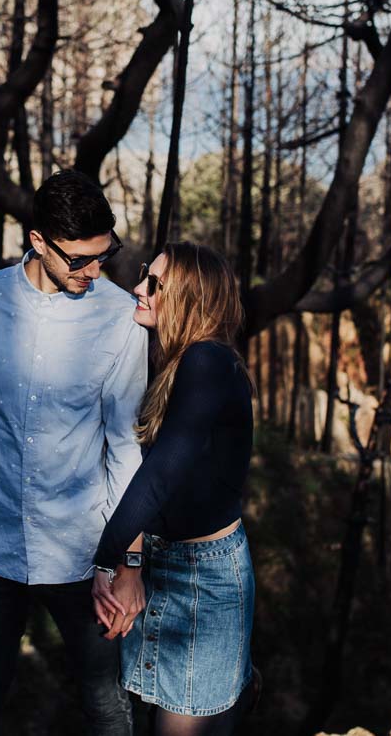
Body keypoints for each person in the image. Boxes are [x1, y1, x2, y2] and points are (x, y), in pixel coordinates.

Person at [0, 170, 148, 735]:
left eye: (105, 254)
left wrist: (130, 564)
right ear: (38, 241)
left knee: (108, 709)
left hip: (83, 553)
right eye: (79, 260)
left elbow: (126, 450)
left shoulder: (120, 315)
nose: (94, 271)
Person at [91, 242, 259, 735]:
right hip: (167, 567)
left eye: (154, 285)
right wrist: (135, 561)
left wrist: (106, 558)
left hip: (203, 583)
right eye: (145, 275)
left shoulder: (206, 362)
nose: (138, 289)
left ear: (189, 298)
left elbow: (161, 475)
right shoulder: (178, 360)